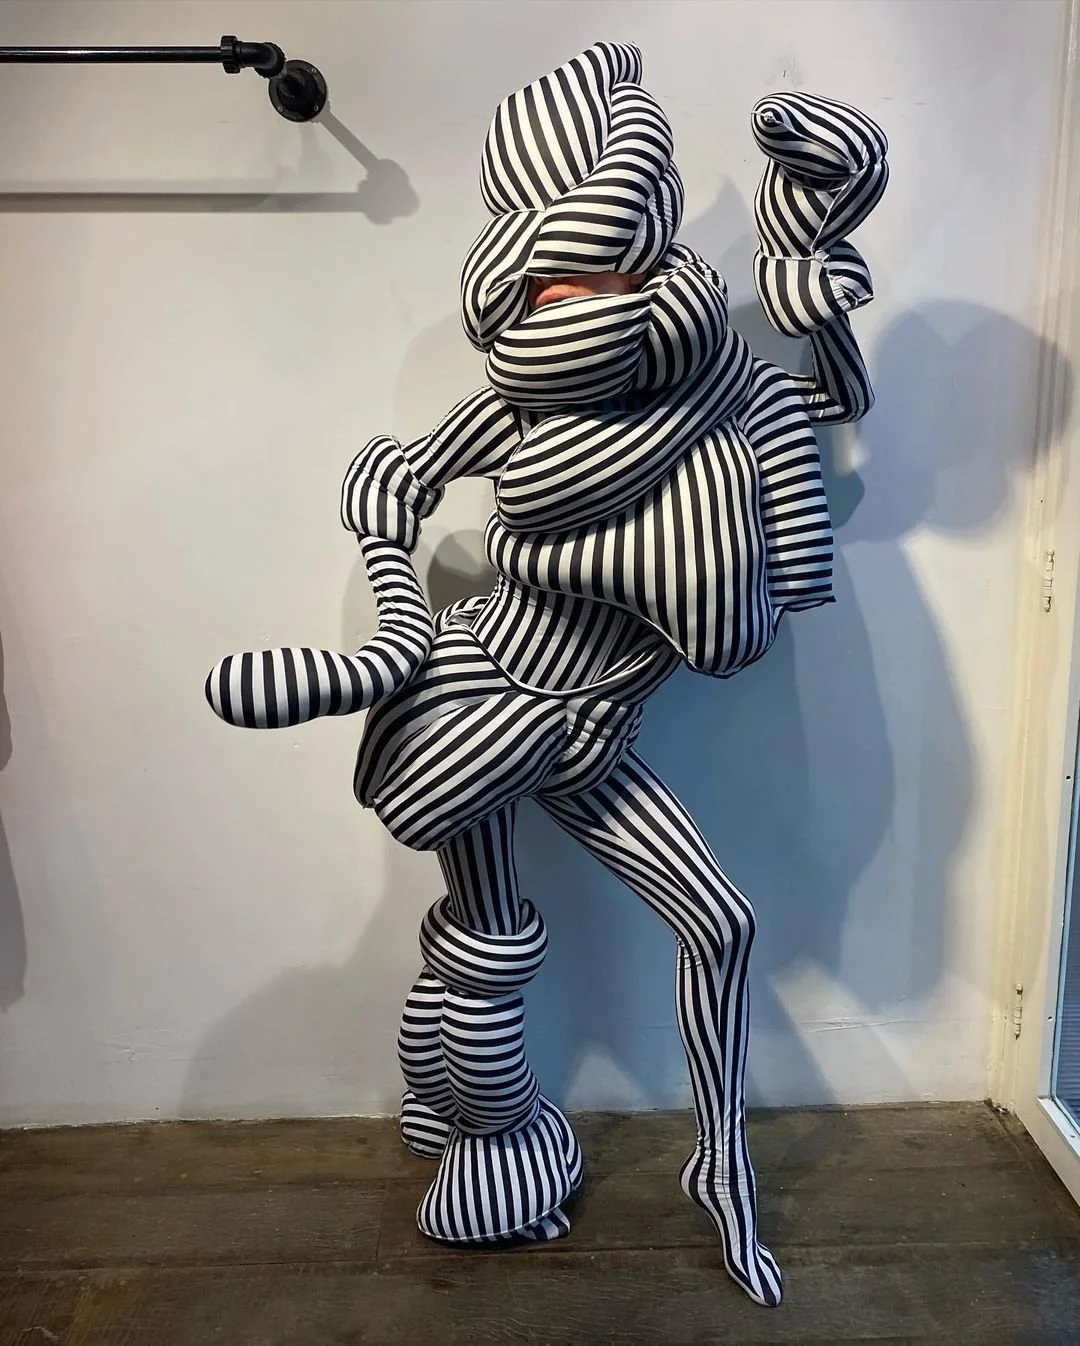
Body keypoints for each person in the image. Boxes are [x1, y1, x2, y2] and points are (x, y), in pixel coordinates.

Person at [205, 42, 887, 1308]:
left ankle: (717, 1170)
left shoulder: (732, 392)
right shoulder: (524, 397)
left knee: (720, 920)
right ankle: (488, 1127)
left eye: (604, 266)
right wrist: (393, 600)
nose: (575, 295)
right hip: (477, 688)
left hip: (591, 729)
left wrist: (820, 284)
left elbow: (782, 532)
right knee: (486, 934)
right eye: (550, 276)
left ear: (652, 248)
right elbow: (398, 475)